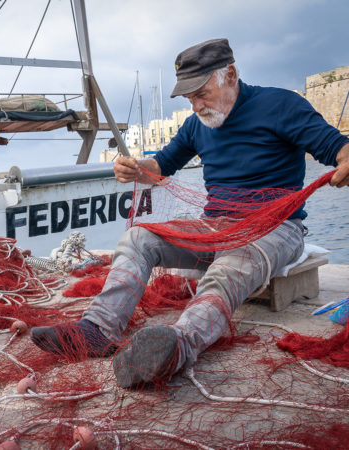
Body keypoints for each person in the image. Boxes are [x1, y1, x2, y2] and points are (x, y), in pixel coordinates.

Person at [30, 38, 349, 388]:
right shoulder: (197, 124)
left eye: (201, 93)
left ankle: (179, 344)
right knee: (138, 237)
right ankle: (97, 329)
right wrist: (137, 169)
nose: (196, 105)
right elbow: (162, 165)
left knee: (227, 269)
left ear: (230, 74)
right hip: (216, 225)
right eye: (189, 98)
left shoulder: (281, 105)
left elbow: (338, 148)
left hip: (276, 226)